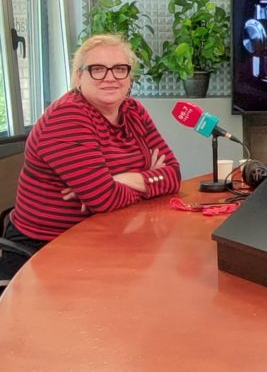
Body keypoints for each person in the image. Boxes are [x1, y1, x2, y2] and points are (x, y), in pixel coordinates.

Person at [1, 34, 181, 278]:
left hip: (108, 238)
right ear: (79, 77)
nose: (110, 78)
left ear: (129, 78)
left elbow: (173, 174)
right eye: (97, 69)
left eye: (120, 69)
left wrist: (120, 179)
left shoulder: (134, 111)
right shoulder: (68, 117)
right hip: (46, 253)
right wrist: (146, 177)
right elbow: (104, 199)